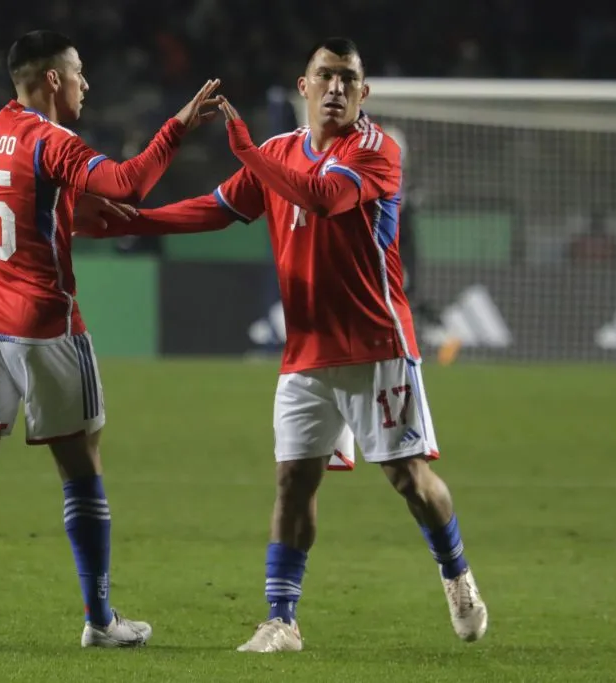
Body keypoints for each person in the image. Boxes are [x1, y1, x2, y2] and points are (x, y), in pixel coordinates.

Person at [78, 37, 488, 652]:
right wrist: (136, 220)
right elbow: (217, 208)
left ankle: (456, 574)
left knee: (409, 478)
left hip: (377, 345)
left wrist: (245, 151)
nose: (336, 89)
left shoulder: (377, 151)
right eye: (325, 76)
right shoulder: (278, 152)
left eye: (348, 78)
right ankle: (282, 619)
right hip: (305, 351)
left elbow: (324, 199)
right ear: (304, 86)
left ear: (363, 93)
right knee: (294, 481)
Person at [0, 29, 221, 649]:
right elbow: (129, 182)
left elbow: (20, 208)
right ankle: (100, 619)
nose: (86, 83)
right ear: (53, 79)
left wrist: (77, 215)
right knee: (81, 464)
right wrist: (177, 126)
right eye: (78, 72)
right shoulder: (55, 142)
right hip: (41, 322)